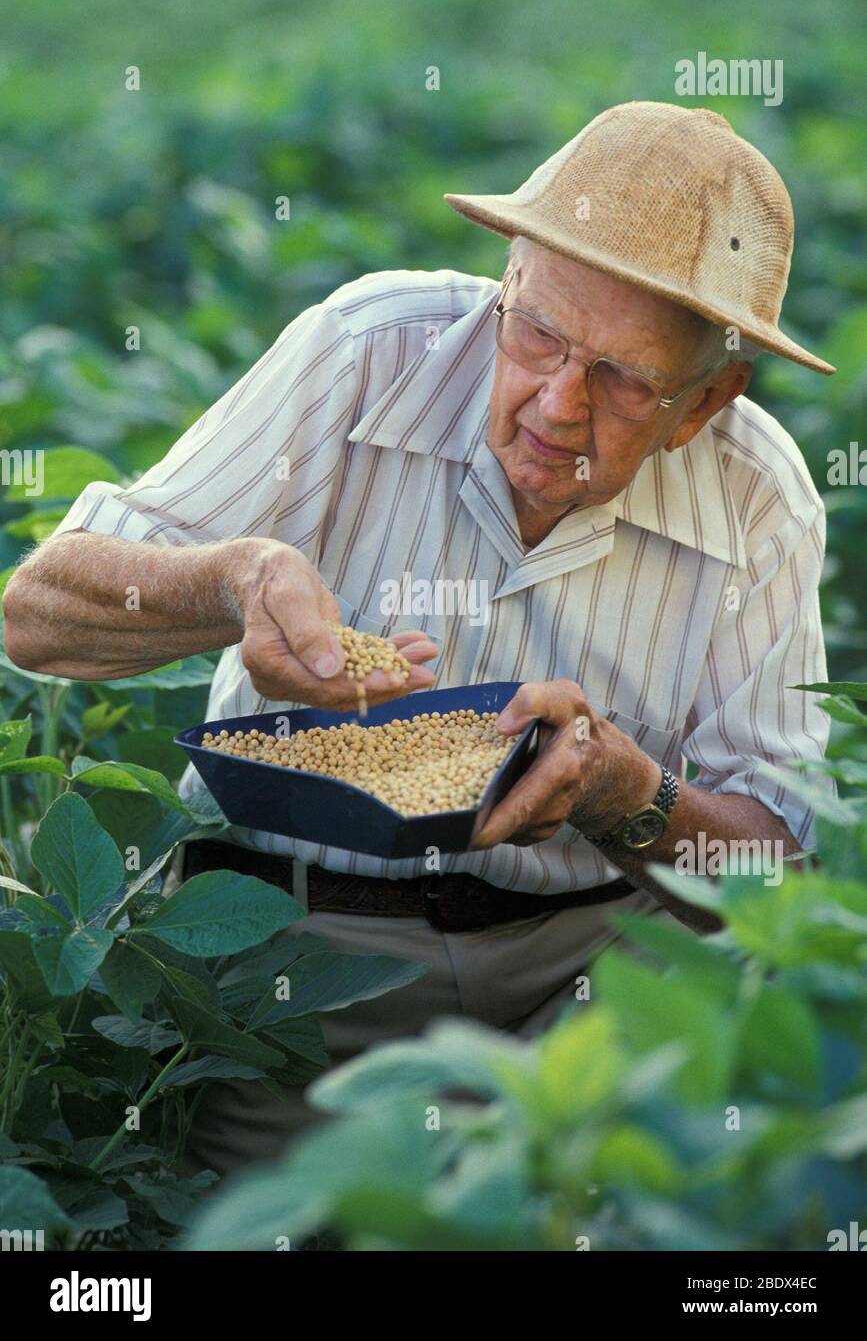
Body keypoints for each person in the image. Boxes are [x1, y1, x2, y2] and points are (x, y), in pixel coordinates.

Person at [3, 100, 835, 1179]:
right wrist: (233, 580)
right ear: (507, 287)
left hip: (598, 958)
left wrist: (630, 792)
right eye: (537, 332)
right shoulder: (366, 352)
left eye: (623, 378)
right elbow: (36, 612)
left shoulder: (761, 497)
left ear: (705, 401)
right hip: (312, 942)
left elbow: (784, 857)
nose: (557, 403)